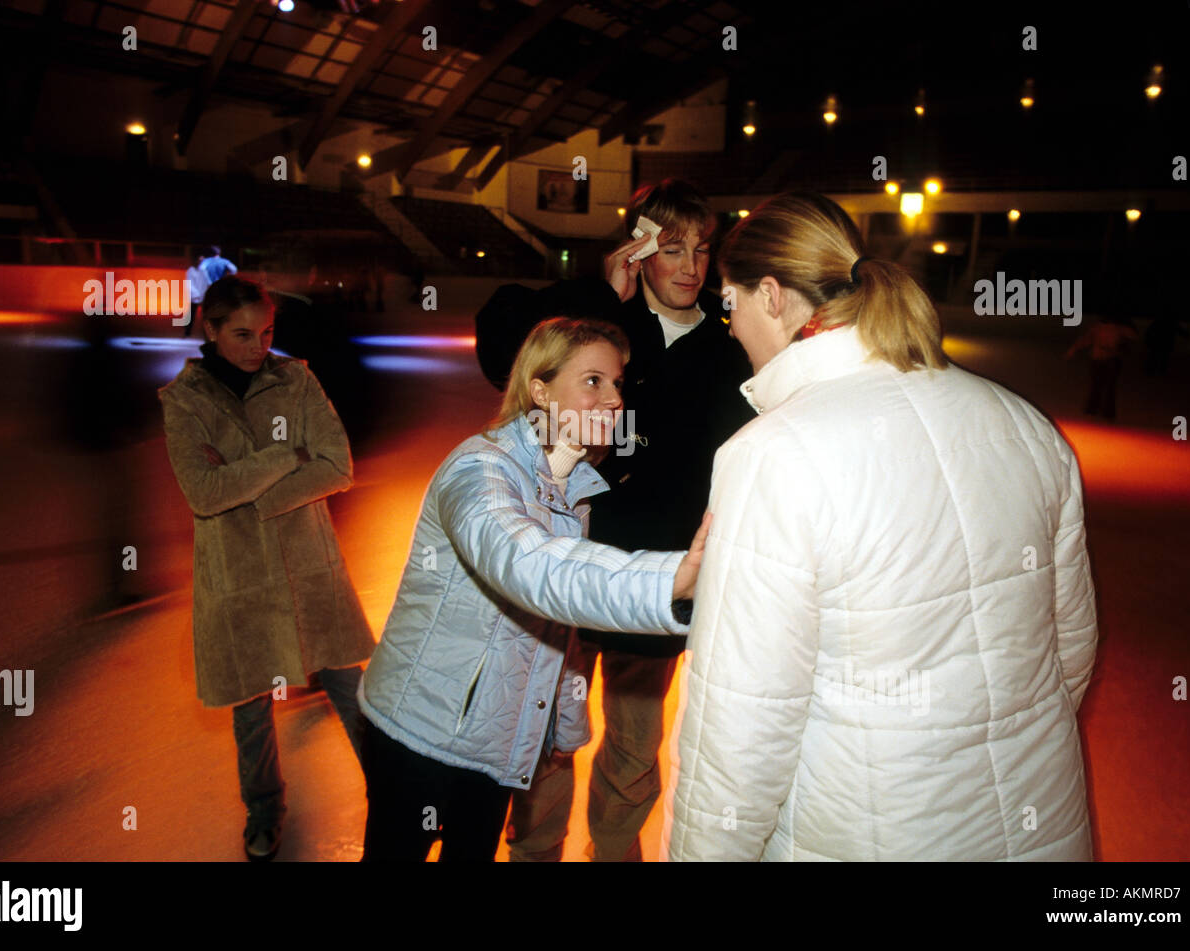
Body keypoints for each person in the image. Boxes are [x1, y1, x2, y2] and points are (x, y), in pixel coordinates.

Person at [663, 192, 1098, 861]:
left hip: (867, 833)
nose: (731, 324)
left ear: (772, 296)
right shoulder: (1027, 425)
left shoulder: (770, 456)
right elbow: (1069, 654)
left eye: (732, 302)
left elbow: (740, 723)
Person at [357, 317, 711, 862]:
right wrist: (670, 579)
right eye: (593, 381)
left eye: (618, 383)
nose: (614, 399)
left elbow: (554, 627)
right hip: (421, 732)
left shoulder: (575, 490)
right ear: (539, 390)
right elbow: (531, 567)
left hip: (496, 741)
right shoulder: (479, 471)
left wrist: (561, 726)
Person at [475, 179, 753, 862]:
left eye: (702, 249)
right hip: (569, 571)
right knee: (543, 733)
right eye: (672, 247)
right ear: (638, 249)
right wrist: (601, 297)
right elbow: (502, 347)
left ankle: (616, 849)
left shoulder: (727, 349)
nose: (690, 265)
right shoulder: (602, 328)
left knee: (634, 742)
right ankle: (534, 849)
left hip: (654, 582)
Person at [159, 276, 375, 861]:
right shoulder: (185, 401)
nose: (258, 347)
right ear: (209, 330)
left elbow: (337, 466)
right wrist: (287, 455)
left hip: (310, 569)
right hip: (240, 580)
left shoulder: (296, 379)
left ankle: (393, 794)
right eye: (242, 334)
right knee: (252, 709)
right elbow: (203, 494)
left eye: (267, 332)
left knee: (351, 690)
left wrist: (250, 487)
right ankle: (264, 809)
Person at [1066, 315, 1139, 420]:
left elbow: (1086, 340)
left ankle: (1098, 410)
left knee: (1103, 386)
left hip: (1107, 360)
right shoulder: (1105, 328)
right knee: (1102, 386)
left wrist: (1073, 350)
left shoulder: (1108, 328)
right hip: (1103, 360)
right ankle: (1099, 411)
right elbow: (1086, 340)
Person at [182, 253, 210, 336]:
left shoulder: (204, 271)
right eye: (200, 260)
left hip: (203, 296)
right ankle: (187, 332)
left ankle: (206, 334)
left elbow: (208, 282)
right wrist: (196, 294)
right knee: (191, 315)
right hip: (195, 297)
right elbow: (189, 283)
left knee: (206, 316)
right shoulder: (191, 270)